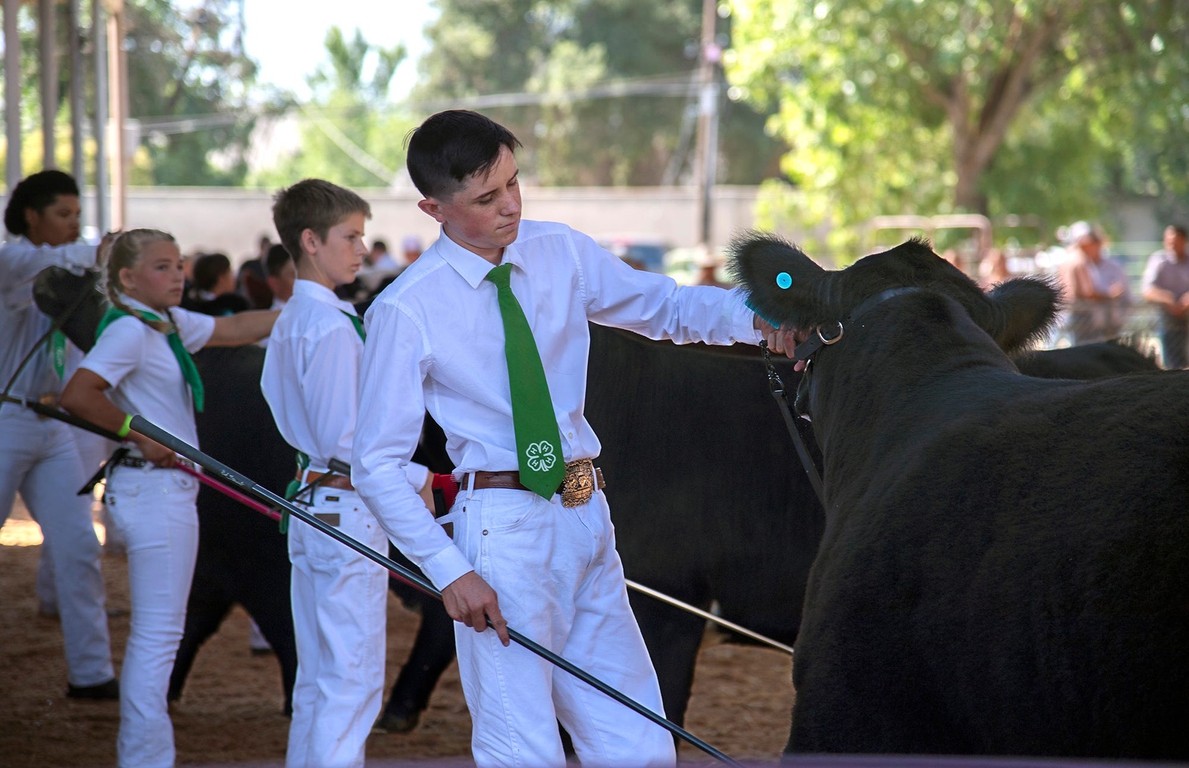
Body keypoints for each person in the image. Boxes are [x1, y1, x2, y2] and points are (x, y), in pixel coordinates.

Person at [352, 109, 780, 768]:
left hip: (586, 515)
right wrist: (449, 571)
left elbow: (665, 308)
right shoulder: (406, 308)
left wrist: (763, 317)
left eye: (514, 184)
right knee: (522, 750)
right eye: (486, 198)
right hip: (498, 533)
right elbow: (376, 464)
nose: (509, 207)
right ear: (432, 207)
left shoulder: (560, 251)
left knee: (638, 741)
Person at [60, 229, 277, 768]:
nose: (178, 274)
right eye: (162, 267)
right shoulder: (131, 332)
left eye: (179, 264)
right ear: (128, 279)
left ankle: (145, 754)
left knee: (160, 632)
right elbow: (78, 394)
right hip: (153, 491)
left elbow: (232, 328)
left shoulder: (167, 324)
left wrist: (317, 310)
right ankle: (144, 758)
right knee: (158, 635)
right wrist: (138, 431)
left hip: (164, 490)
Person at [260, 179, 435, 768]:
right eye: (350, 237)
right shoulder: (331, 327)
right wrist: (418, 481)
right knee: (351, 683)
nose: (362, 249)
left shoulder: (295, 319)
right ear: (310, 241)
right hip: (345, 508)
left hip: (315, 505)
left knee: (320, 679)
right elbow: (350, 446)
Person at [0, 169, 118, 700]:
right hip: (5, 418)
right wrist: (109, 249)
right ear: (31, 216)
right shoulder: (11, 259)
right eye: (62, 215)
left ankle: (92, 674)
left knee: (77, 546)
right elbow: (45, 263)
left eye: (76, 216)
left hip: (54, 425)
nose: (73, 226)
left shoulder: (70, 271)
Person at [1058, 221, 1131, 344]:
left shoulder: (1068, 259)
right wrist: (1110, 295)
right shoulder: (1079, 261)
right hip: (1081, 314)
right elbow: (1088, 292)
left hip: (1073, 313)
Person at [1141, 224, 1189, 368]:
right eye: (1169, 241)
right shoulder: (1158, 261)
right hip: (1168, 320)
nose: (1172, 244)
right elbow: (1148, 290)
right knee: (1173, 364)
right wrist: (1168, 300)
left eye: (1176, 241)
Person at [185, 252, 251, 316]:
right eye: (230, 273)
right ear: (221, 278)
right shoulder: (234, 306)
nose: (233, 278)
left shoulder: (190, 305)